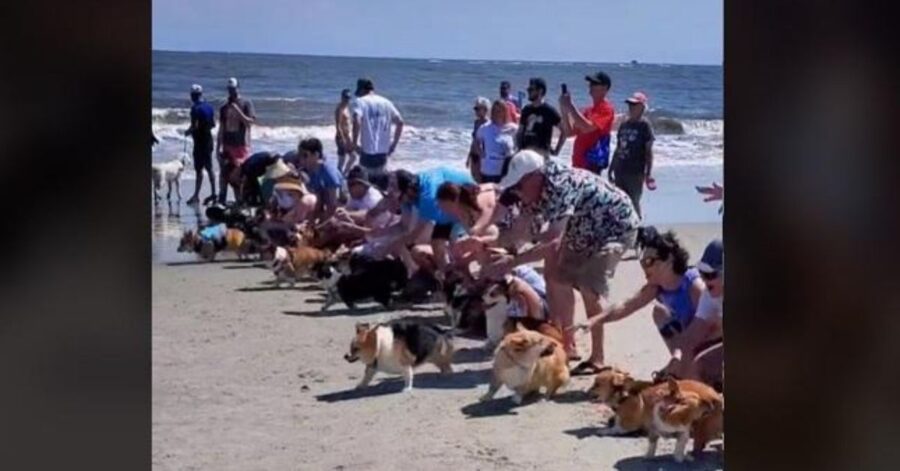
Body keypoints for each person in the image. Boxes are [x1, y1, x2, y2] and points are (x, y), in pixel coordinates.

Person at [481, 150, 641, 370]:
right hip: (581, 232)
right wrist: (482, 243)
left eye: (519, 185)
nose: (516, 191)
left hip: (614, 227)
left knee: (588, 288)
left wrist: (512, 262)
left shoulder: (560, 185)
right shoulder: (531, 192)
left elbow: (552, 243)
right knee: (555, 278)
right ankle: (567, 344)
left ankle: (598, 357)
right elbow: (519, 231)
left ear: (534, 177)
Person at [570, 228, 705, 375]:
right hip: (688, 342)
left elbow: (711, 325)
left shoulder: (695, 286)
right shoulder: (656, 288)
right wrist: (594, 321)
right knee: (659, 313)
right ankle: (681, 366)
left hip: (712, 340)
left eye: (649, 261)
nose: (644, 268)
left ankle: (683, 365)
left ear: (669, 260)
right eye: (642, 263)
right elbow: (626, 305)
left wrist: (680, 356)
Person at [367, 167, 474, 277]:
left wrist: (386, 249)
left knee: (456, 247)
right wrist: (379, 233)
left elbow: (413, 236)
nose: (394, 201)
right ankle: (447, 278)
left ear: (408, 191)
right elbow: (404, 226)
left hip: (465, 200)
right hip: (444, 207)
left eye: (395, 197)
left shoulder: (427, 199)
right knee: (436, 244)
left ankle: (465, 277)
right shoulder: (408, 192)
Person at [665, 239, 723, 388]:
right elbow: (693, 334)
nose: (704, 279)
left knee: (702, 363)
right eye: (702, 273)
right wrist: (677, 357)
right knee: (691, 358)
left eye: (710, 275)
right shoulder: (709, 294)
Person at [350, 78, 404, 191]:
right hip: (383, 151)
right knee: (381, 187)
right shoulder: (386, 102)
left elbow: (356, 119)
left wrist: (354, 143)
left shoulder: (360, 101)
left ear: (362, 90)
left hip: (367, 150)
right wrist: (393, 144)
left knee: (366, 187)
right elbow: (400, 122)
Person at [559, 71, 616, 176]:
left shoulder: (606, 108)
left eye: (595, 84)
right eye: (591, 84)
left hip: (591, 164)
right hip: (578, 164)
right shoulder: (588, 110)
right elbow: (569, 132)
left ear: (605, 88)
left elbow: (587, 127)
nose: (591, 86)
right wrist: (564, 109)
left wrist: (570, 105)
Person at [608, 92, 655, 217]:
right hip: (620, 170)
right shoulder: (624, 125)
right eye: (630, 104)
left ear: (642, 107)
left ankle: (637, 230)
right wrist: (611, 168)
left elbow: (649, 151)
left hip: (635, 172)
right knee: (619, 202)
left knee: (633, 202)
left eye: (634, 105)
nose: (631, 107)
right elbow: (618, 148)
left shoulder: (644, 125)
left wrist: (648, 173)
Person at [435, 182, 502, 266]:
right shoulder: (462, 214)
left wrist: (475, 235)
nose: (443, 209)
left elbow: (494, 233)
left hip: (510, 223)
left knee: (477, 243)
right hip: (493, 234)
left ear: (455, 201)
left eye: (444, 206)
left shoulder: (478, 200)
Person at [216, 77, 256, 204]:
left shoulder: (246, 103)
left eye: (233, 89)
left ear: (238, 88)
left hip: (241, 146)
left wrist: (237, 111)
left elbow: (250, 123)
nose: (231, 92)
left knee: (238, 176)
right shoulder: (224, 107)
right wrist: (218, 147)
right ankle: (221, 200)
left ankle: (240, 201)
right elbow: (222, 128)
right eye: (229, 89)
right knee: (224, 174)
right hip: (227, 145)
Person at [184, 84, 218, 205]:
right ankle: (214, 193)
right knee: (209, 168)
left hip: (199, 143)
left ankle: (196, 195)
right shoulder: (209, 107)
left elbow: (194, 126)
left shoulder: (195, 109)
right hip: (208, 140)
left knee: (199, 170)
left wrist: (187, 132)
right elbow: (213, 124)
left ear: (193, 95)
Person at [297, 138, 345, 222]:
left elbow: (334, 204)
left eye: (305, 155)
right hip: (325, 204)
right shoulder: (308, 171)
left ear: (316, 155)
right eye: (300, 155)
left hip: (341, 205)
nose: (301, 159)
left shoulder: (328, 172)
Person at [517, 78, 565, 157]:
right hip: (526, 154)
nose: (528, 92)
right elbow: (520, 131)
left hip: (542, 155)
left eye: (531, 89)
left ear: (540, 91)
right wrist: (519, 149)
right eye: (528, 89)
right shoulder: (526, 109)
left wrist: (556, 151)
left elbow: (564, 131)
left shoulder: (549, 110)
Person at [474, 100, 517, 184]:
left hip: (506, 171)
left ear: (505, 112)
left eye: (500, 111)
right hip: (489, 170)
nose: (497, 113)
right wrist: (481, 153)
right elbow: (476, 141)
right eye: (495, 111)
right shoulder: (485, 128)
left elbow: (520, 142)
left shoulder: (513, 128)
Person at [466, 97, 491, 182]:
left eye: (477, 109)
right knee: (474, 178)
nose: (475, 111)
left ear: (485, 109)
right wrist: (469, 156)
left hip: (482, 156)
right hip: (474, 154)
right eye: (475, 109)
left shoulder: (489, 124)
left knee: (481, 179)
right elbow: (474, 140)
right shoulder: (476, 122)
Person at [334, 89, 356, 175]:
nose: (347, 100)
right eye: (346, 98)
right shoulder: (339, 109)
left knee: (353, 157)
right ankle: (339, 177)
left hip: (347, 137)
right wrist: (342, 138)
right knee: (342, 160)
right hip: (341, 137)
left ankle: (343, 174)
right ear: (342, 97)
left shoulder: (346, 108)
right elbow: (338, 125)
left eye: (349, 98)